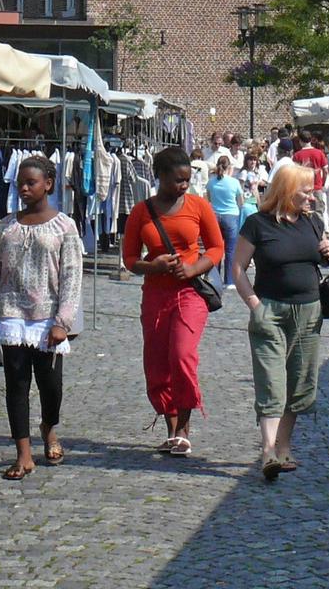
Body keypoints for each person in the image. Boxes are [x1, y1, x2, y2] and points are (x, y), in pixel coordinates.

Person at [0, 155, 83, 480]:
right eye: (20, 183)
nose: (23, 188)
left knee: (51, 387)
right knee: (16, 386)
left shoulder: (64, 227)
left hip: (48, 318)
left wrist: (62, 322)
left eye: (31, 183)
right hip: (11, 315)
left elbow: (71, 276)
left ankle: (48, 427)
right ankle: (23, 455)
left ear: (48, 184)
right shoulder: (6, 227)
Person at [235, 165, 329, 481]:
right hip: (271, 312)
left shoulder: (314, 222)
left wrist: (328, 251)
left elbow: (323, 262)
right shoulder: (257, 224)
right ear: (286, 190)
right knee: (270, 380)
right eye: (305, 189)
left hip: (308, 311)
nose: (312, 195)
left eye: (312, 189)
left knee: (300, 381)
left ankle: (285, 443)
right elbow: (237, 268)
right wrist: (255, 305)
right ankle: (267, 451)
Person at [121, 146, 223, 456]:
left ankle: (184, 427)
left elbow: (217, 248)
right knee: (157, 363)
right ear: (160, 176)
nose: (184, 186)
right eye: (177, 180)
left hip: (190, 291)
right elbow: (128, 258)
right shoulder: (141, 212)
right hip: (155, 294)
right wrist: (152, 267)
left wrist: (192, 267)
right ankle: (171, 426)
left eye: (187, 180)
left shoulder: (198, 206)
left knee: (182, 355)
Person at [206, 156, 245, 288]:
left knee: (216, 248)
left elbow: (209, 199)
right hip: (231, 215)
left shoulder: (211, 182)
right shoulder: (234, 182)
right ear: (229, 167)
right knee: (231, 249)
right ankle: (229, 281)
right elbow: (241, 201)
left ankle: (215, 279)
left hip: (215, 215)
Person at [292, 131, 329, 209]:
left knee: (305, 212)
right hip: (317, 187)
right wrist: (322, 184)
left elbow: (294, 174)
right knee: (319, 212)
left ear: (300, 141)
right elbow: (325, 170)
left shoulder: (297, 155)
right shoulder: (319, 153)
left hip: (303, 189)